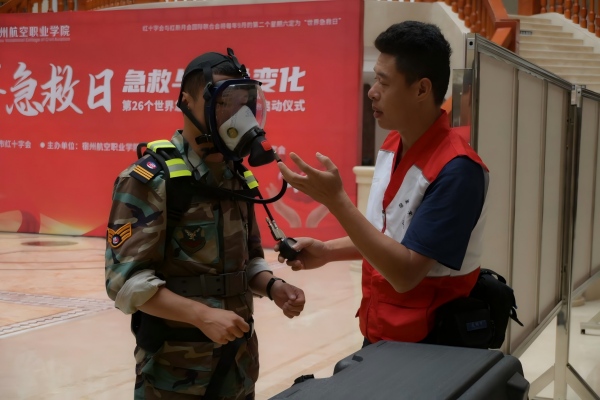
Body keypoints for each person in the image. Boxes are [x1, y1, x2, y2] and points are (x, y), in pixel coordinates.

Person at [105, 48, 305, 400]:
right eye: (223, 103)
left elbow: (249, 261)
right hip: (175, 372)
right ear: (187, 102)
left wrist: (273, 286)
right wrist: (200, 315)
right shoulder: (153, 179)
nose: (236, 115)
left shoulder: (236, 177)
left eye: (243, 104)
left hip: (239, 366)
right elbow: (126, 283)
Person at [276, 21, 488, 347]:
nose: (372, 91)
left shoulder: (458, 170)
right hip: (381, 332)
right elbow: (389, 237)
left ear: (422, 89)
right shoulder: (392, 144)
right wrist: (329, 251)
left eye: (383, 82)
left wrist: (336, 201)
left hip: (432, 346)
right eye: (375, 78)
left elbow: (406, 274)